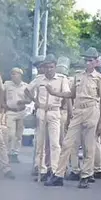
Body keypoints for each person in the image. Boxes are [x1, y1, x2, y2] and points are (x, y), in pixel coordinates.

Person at [44, 47, 101, 189]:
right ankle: (58, 175)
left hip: (92, 110)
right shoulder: (78, 76)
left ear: (96, 62)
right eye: (85, 60)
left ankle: (86, 175)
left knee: (88, 146)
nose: (87, 63)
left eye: (90, 60)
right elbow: (71, 94)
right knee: (67, 143)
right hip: (78, 111)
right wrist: (54, 92)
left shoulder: (100, 78)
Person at [25, 54, 71, 182]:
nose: (49, 70)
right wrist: (35, 100)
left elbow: (68, 94)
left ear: (55, 67)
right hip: (41, 111)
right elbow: (27, 90)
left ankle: (55, 171)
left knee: (54, 143)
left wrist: (55, 93)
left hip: (54, 111)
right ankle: (42, 170)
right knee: (40, 143)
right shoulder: (39, 79)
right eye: (46, 67)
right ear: (43, 68)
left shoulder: (62, 79)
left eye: (51, 67)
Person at [3, 67, 30, 163]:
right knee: (10, 134)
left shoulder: (25, 86)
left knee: (19, 135)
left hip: (21, 112)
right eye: (12, 74)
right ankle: (8, 152)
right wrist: (3, 105)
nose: (13, 76)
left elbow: (29, 99)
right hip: (10, 111)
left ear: (20, 75)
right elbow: (1, 96)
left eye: (16, 74)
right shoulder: (6, 85)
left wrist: (23, 101)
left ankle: (15, 153)